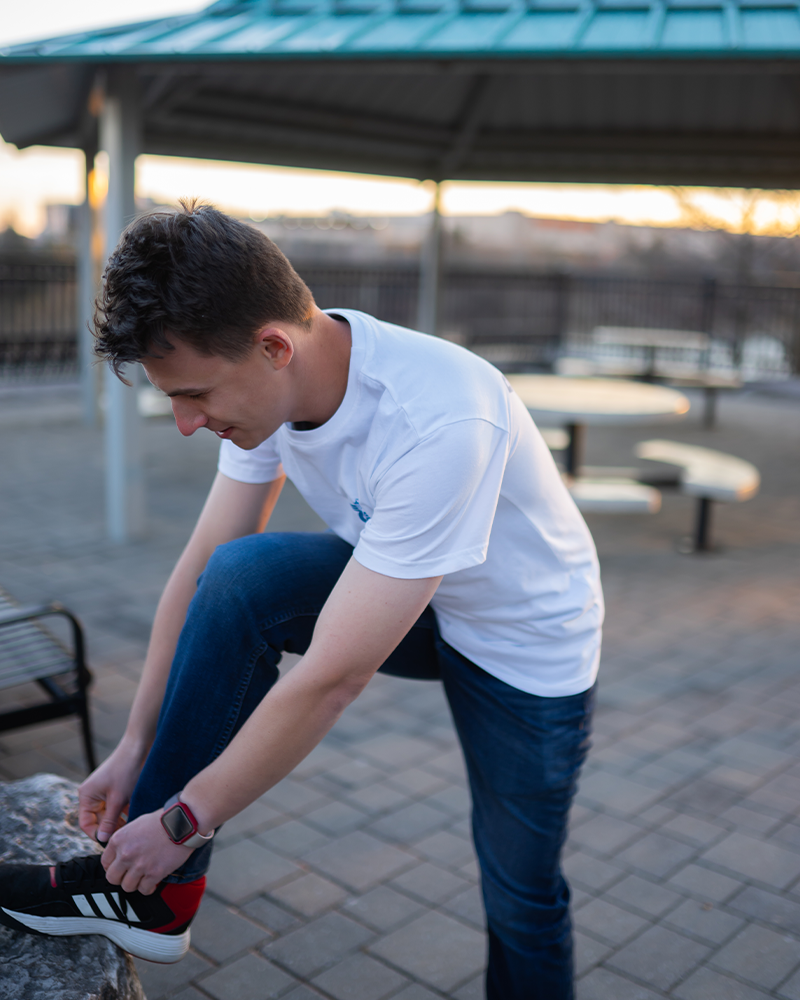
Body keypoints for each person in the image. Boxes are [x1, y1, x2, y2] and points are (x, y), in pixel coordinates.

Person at [0, 202, 603, 999]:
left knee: (520, 893)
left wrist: (184, 821)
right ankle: (146, 897)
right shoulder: (270, 393)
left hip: (524, 647)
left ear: (274, 347)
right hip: (409, 596)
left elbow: (332, 678)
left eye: (192, 395)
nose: (185, 423)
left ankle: (161, 861)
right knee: (241, 577)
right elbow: (203, 571)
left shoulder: (441, 417)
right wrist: (139, 741)